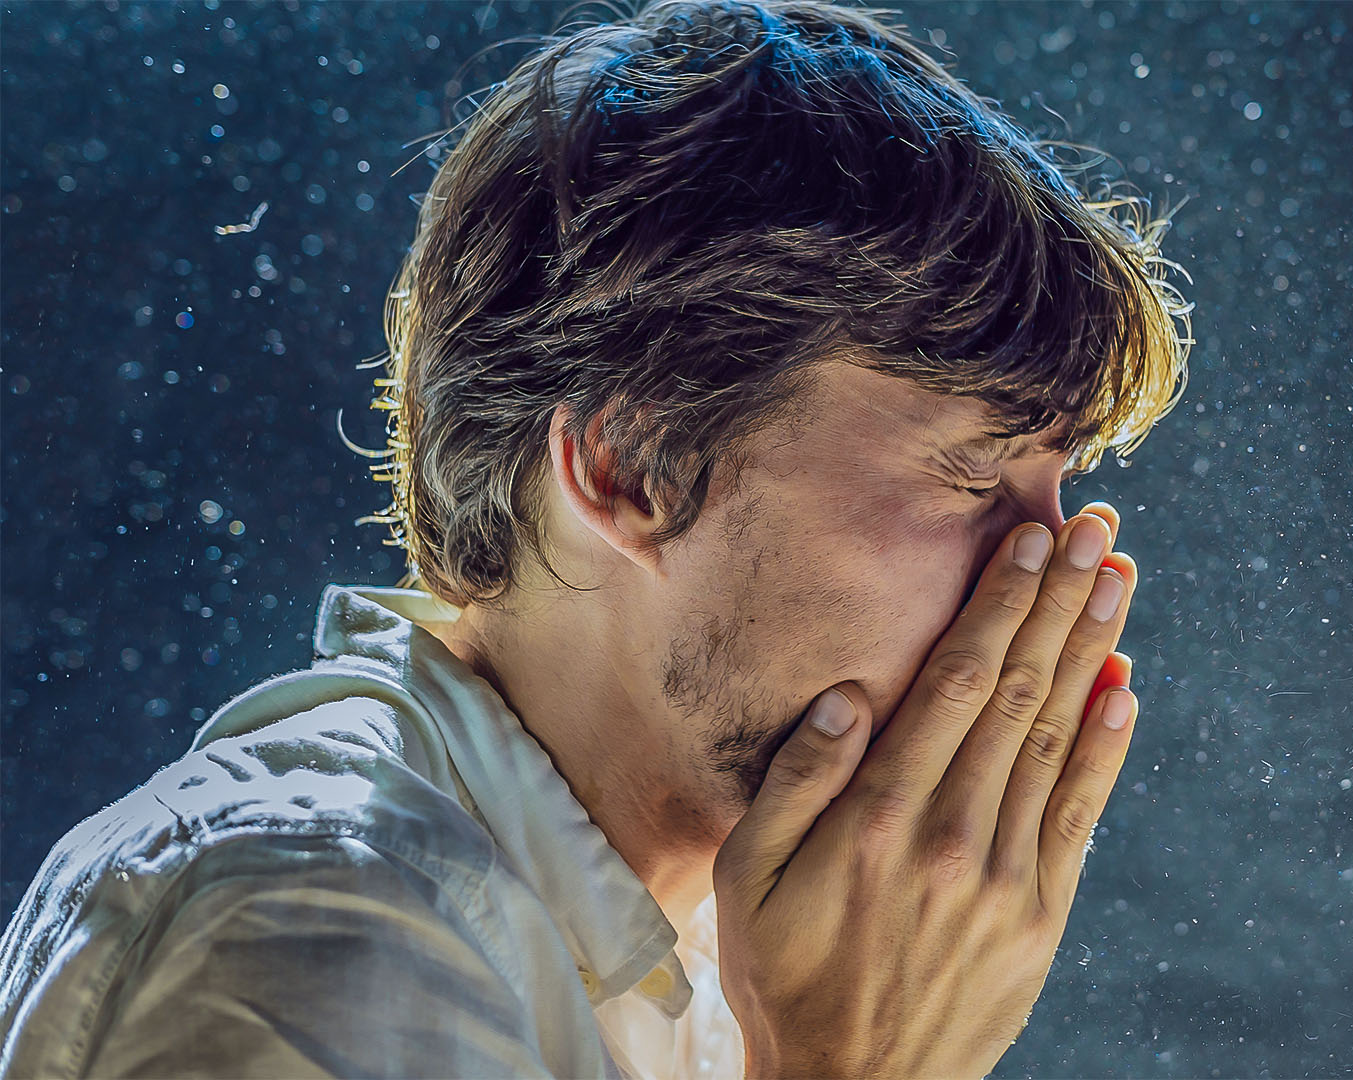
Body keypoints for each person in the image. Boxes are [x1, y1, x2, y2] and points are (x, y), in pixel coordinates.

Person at [0, 0, 1192, 1075]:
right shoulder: (307, 933)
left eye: (1059, 485)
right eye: (973, 473)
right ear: (637, 469)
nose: (1055, 577)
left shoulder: (739, 984)